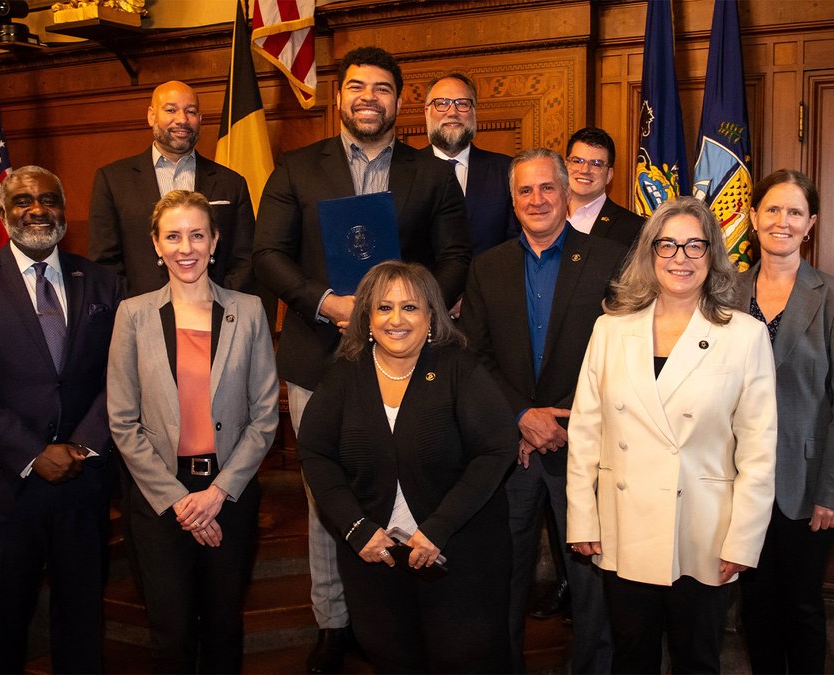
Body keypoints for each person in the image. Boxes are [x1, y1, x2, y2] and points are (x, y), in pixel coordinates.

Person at [253, 45, 472, 673]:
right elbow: (269, 255)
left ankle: (401, 607)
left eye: (381, 88)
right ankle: (333, 621)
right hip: (320, 357)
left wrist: (415, 308)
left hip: (411, 363)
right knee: (329, 494)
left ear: (399, 103)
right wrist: (328, 303)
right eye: (356, 87)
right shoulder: (296, 168)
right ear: (339, 98)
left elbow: (457, 258)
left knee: (409, 483)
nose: (368, 98)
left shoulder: (430, 174)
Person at [565, 196, 777, 674]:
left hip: (704, 530)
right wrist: (582, 519)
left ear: (712, 255)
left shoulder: (744, 335)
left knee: (697, 659)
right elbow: (585, 433)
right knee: (631, 654)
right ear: (650, 253)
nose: (680, 258)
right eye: (668, 245)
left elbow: (759, 451)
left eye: (694, 246)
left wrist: (742, 541)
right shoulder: (610, 329)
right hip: (624, 525)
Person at [0, 165, 121, 673]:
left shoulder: (104, 281)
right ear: (4, 212)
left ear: (64, 210)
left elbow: (122, 375)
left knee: (82, 626)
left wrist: (83, 445)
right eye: (22, 201)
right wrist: (31, 454)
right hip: (3, 487)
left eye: (48, 200)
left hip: (83, 485)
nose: (37, 210)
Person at [297, 261, 515, 673]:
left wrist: (438, 528)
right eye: (383, 308)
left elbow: (497, 450)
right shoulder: (345, 374)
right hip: (376, 560)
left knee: (464, 660)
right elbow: (315, 453)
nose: (396, 320)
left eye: (410, 308)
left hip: (460, 559)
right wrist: (356, 528)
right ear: (366, 317)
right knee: (392, 658)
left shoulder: (460, 369)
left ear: (432, 315)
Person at [458, 148, 625, 674]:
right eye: (525, 191)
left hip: (586, 444)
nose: (537, 199)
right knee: (505, 575)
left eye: (547, 188)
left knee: (591, 580)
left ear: (566, 191)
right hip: (514, 453)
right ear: (513, 200)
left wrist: (564, 419)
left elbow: (621, 352)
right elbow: (475, 355)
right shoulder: (487, 268)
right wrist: (523, 418)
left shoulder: (607, 258)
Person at [106, 190, 279, 673]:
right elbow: (122, 419)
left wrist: (217, 493)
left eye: (197, 235)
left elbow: (265, 416)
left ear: (215, 241)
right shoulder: (133, 315)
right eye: (174, 236)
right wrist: (180, 499)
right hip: (160, 498)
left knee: (224, 627)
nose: (187, 247)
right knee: (173, 633)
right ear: (156, 246)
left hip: (231, 494)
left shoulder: (247, 311)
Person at [736, 169, 834, 674]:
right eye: (772, 209)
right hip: (738, 479)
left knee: (802, 606)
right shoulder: (726, 294)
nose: (782, 221)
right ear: (753, 218)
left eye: (794, 212)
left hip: (807, 483)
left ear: (810, 223)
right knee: (755, 605)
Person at [90, 80, 255, 297]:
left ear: (201, 119)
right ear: (151, 116)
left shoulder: (232, 183)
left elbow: (246, 258)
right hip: (141, 319)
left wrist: (220, 306)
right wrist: (136, 311)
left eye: (191, 111)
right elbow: (104, 262)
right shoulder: (113, 180)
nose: (182, 120)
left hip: (216, 317)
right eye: (170, 110)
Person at [420, 72, 518, 256]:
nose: (452, 112)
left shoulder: (506, 171)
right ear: (426, 112)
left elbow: (516, 246)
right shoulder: (406, 172)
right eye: (441, 103)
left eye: (462, 104)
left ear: (474, 112)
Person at [565, 127, 644, 245]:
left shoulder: (635, 228)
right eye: (577, 161)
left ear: (609, 175)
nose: (585, 170)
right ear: (565, 167)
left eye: (596, 164)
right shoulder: (542, 215)